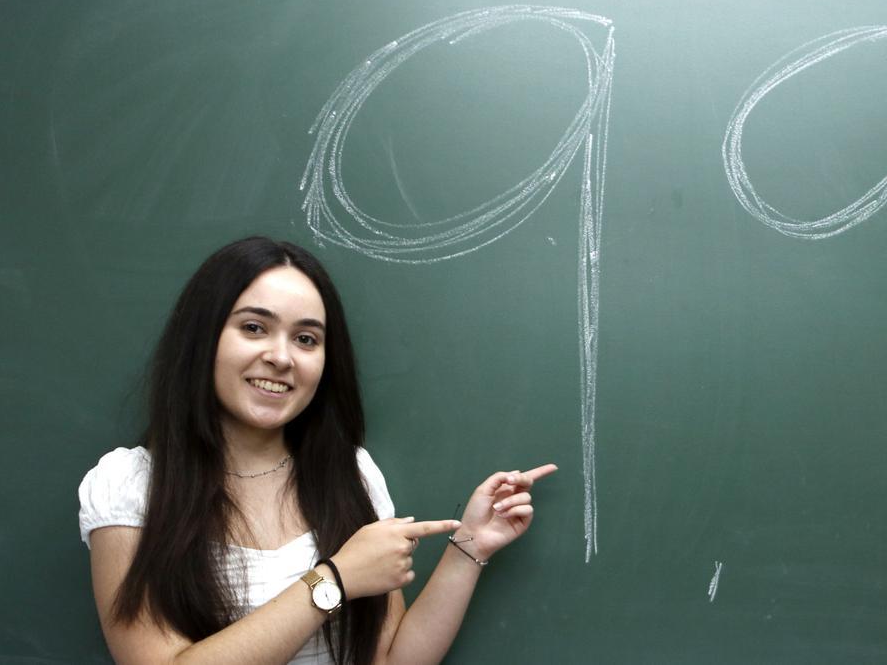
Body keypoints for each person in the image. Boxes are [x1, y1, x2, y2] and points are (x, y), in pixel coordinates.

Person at [78, 236, 556, 664]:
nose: (282, 357)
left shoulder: (351, 473)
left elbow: (389, 660)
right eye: (253, 328)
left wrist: (469, 545)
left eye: (306, 339)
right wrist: (335, 579)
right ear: (203, 338)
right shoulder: (130, 485)